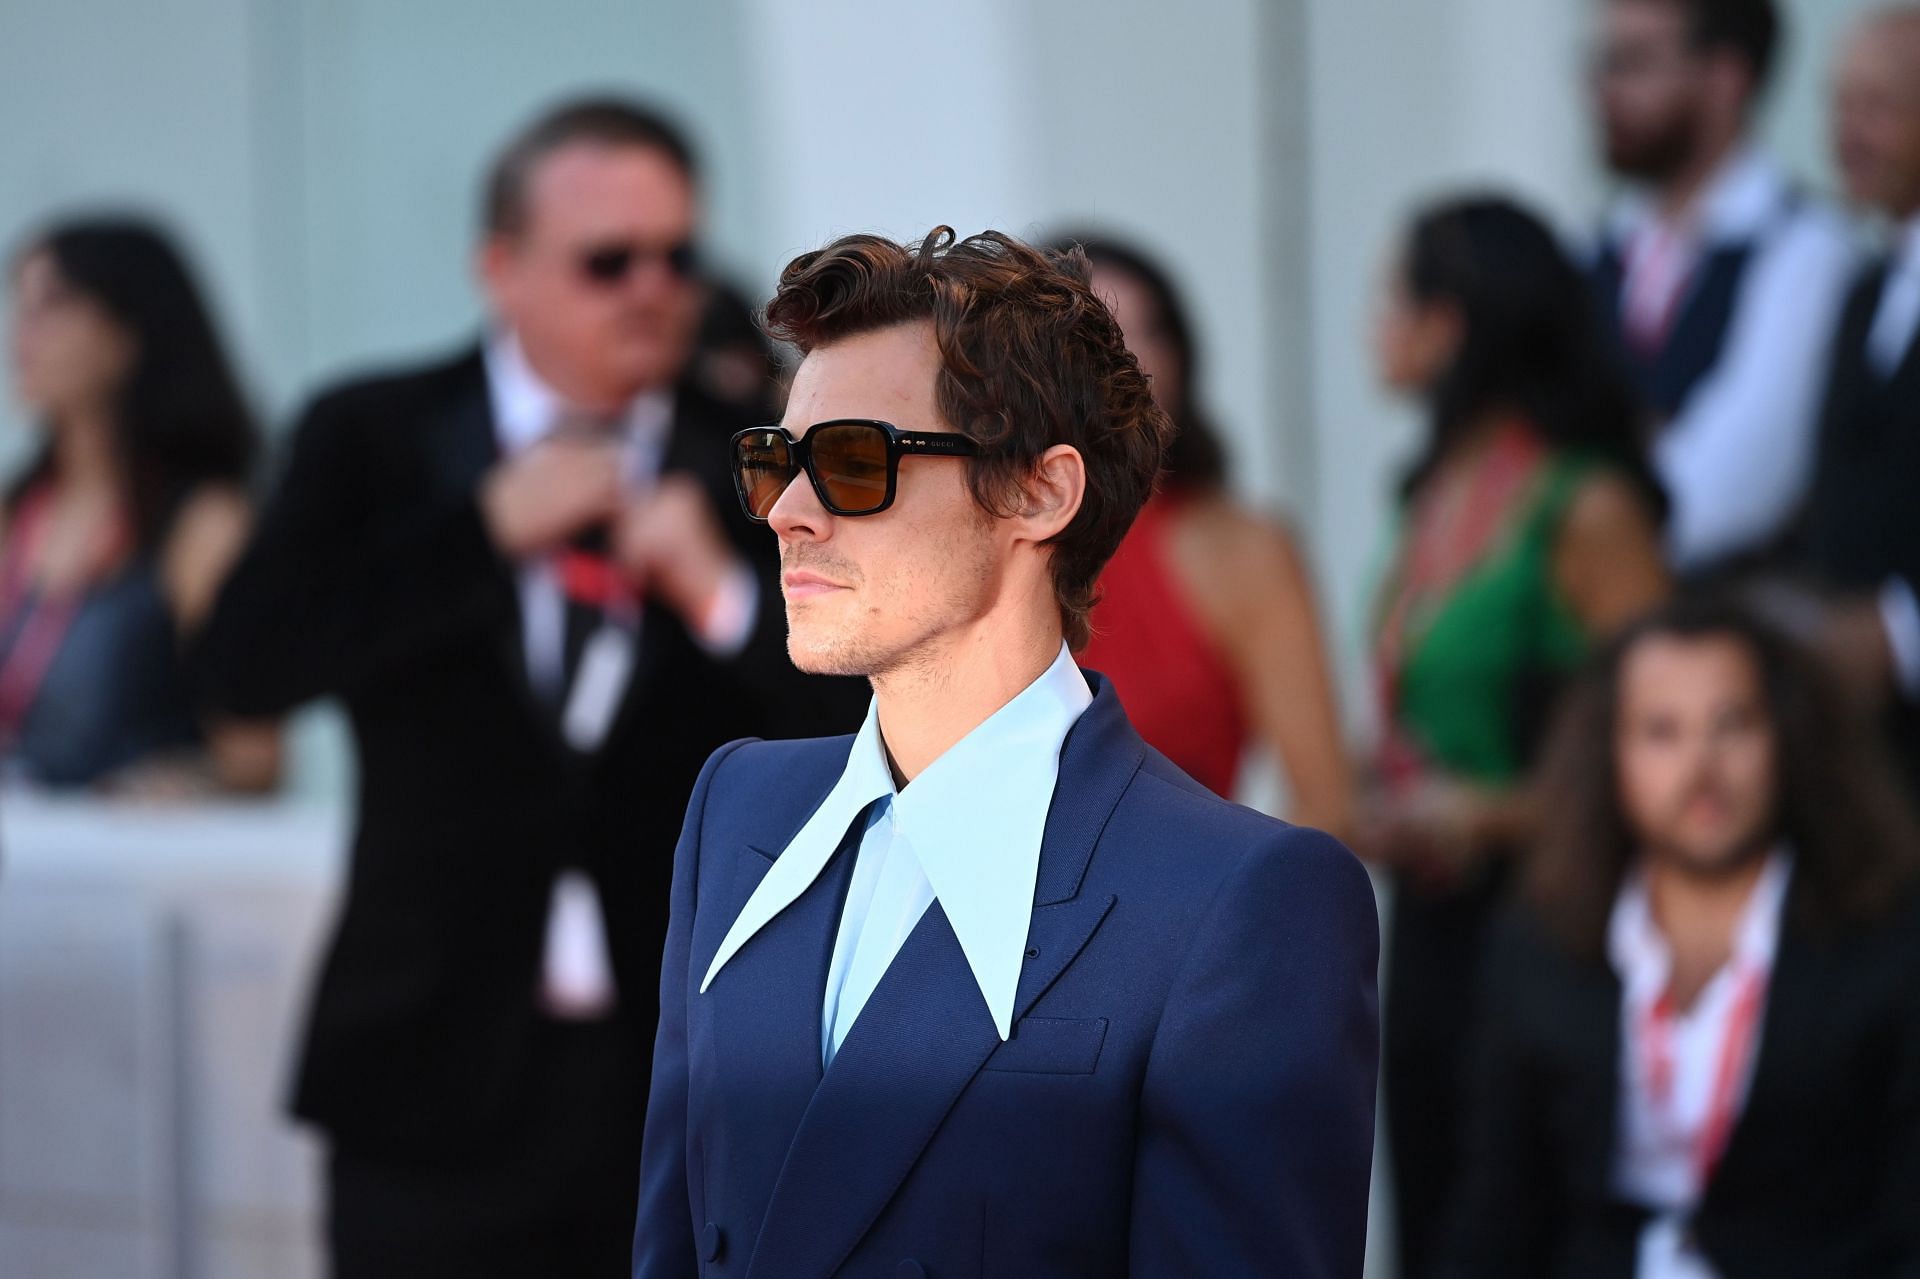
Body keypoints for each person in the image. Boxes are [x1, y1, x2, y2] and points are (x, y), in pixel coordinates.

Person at [194, 99, 863, 1277]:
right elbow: (245, 665)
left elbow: (860, 727)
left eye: (675, 256)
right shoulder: (380, 433)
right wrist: (479, 535)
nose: (651, 288)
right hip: (426, 1054)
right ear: (501, 268)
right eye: (608, 261)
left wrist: (720, 594)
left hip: (679, 1066)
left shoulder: (752, 452)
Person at [633, 228, 1380, 1277]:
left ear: (1039, 493)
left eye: (854, 462)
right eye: (776, 462)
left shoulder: (1243, 903)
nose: (790, 514)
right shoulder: (738, 813)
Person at [1365, 195, 1672, 1279]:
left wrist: (1485, 807)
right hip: (1438, 920)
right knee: (1438, 1214)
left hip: (1558, 914)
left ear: (1454, 322)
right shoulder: (1436, 488)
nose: (1374, 321)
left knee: (1518, 1230)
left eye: (1394, 295)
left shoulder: (1583, 502)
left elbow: (1666, 736)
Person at [1443, 596, 1920, 1277]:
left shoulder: (1887, 939)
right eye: (1662, 731)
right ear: (1611, 754)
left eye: (1733, 725)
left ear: (1786, 735)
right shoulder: (1538, 945)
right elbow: (1494, 1214)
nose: (1702, 767)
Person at [1068, 234, 1352, 836]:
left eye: (1151, 332)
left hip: (1178, 913)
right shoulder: (980, 546)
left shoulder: (1243, 551)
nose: (1132, 362)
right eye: (1097, 337)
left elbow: (1328, 803)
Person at [1, 217, 277, 792]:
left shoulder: (202, 525)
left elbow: (256, 758)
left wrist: (184, 781)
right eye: (20, 308)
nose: (23, 337)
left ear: (126, 333)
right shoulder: (18, 511)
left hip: (142, 870)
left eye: (49, 307)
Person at [1587, 0, 1856, 576]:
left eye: (1636, 62)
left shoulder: (1807, 254)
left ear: (1725, 78)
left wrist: (1590, 540)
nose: (1605, 88)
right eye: (1603, 61)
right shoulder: (1592, 252)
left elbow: (1734, 488)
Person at [1789, 5, 1920, 783]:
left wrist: (1901, 635)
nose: (1849, 134)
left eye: (1880, 106)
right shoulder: (1865, 290)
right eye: (1839, 106)